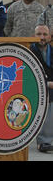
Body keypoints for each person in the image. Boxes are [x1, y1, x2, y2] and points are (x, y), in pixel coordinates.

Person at [30, 24, 53, 153]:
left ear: (49, 36)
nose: (42, 37)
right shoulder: (29, 51)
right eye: (39, 34)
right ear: (34, 36)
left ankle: (45, 141)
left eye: (45, 34)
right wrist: (47, 84)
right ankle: (44, 141)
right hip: (33, 86)